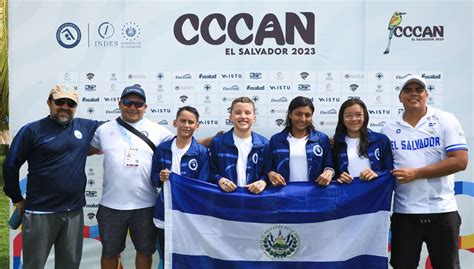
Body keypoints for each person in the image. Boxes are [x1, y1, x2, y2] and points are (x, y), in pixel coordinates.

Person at [2, 85, 100, 269]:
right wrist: (16, 198)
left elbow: (116, 128)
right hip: (41, 212)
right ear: (49, 103)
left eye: (70, 103)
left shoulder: (85, 126)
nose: (65, 106)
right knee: (33, 265)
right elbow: (10, 165)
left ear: (75, 107)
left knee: (69, 265)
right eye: (59, 102)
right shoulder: (32, 130)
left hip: (73, 213)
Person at [382, 74, 468, 269]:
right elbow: (381, 168)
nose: (413, 94)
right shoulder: (388, 128)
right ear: (400, 97)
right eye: (408, 90)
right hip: (405, 213)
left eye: (418, 90)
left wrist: (416, 173)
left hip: (443, 211)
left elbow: (460, 161)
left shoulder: (445, 119)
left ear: (426, 95)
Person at [89, 84, 173, 269]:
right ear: (120, 104)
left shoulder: (158, 130)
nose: (132, 107)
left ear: (145, 107)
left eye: (138, 103)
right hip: (111, 205)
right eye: (128, 102)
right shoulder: (104, 129)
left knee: (144, 251)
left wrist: (209, 142)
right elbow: (85, 150)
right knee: (109, 252)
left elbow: (183, 146)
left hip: (145, 204)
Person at [150, 106, 210, 268]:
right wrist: (160, 178)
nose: (186, 125)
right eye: (183, 121)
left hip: (190, 216)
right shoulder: (162, 149)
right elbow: (153, 179)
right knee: (166, 256)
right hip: (165, 213)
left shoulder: (201, 152)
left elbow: (202, 185)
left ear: (197, 126)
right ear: (175, 122)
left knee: (190, 257)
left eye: (191, 122)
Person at [266, 96, 334, 186]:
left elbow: (329, 165)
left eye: (307, 115)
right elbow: (267, 168)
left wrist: (329, 172)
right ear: (290, 114)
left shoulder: (322, 139)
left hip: (314, 194)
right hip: (284, 194)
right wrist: (271, 174)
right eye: (298, 114)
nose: (303, 119)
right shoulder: (276, 140)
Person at [209, 97, 268, 194]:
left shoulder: (264, 144)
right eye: (238, 112)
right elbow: (211, 171)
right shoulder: (218, 143)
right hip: (226, 199)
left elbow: (268, 172)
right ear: (231, 117)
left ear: (254, 118)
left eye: (247, 113)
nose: (243, 116)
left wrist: (263, 181)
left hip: (255, 200)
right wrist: (219, 180)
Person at [332, 98, 393, 183]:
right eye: (348, 115)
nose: (353, 119)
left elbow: (391, 171)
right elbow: (331, 174)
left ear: (365, 116)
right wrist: (338, 178)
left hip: (374, 194)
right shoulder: (335, 144)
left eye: (358, 114)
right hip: (347, 194)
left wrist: (377, 174)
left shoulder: (381, 140)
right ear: (342, 119)